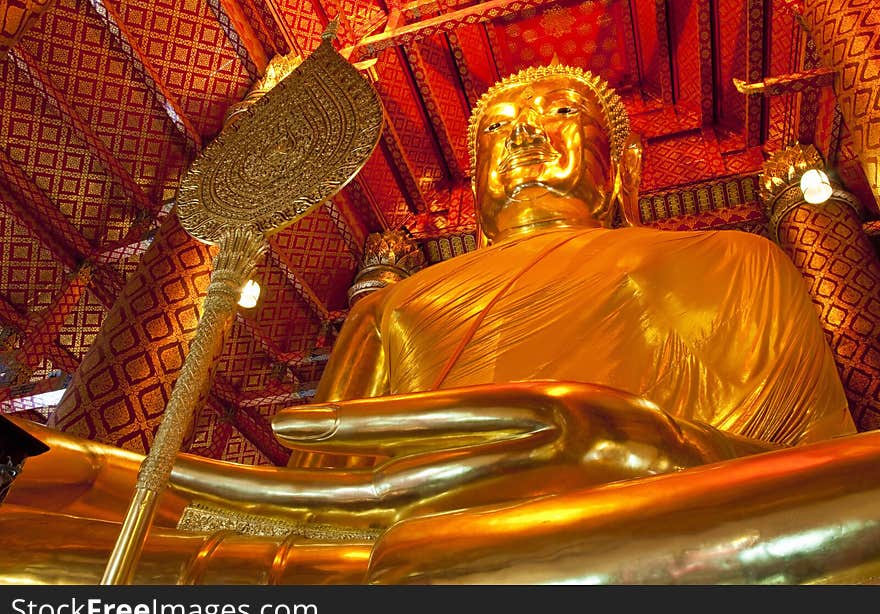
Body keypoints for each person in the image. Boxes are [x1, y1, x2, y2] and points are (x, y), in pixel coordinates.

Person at [0, 66, 860, 584]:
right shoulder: (396, 309)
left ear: (625, 169)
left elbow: (812, 483)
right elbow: (311, 510)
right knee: (62, 495)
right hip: (398, 569)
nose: (525, 139)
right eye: (500, 131)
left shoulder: (731, 265)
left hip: (642, 558)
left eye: (561, 117)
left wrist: (662, 458)